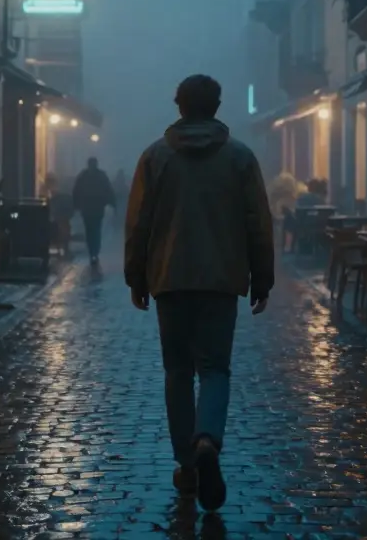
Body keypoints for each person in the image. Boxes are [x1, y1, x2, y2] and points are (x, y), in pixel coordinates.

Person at [124, 74, 275, 511]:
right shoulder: (240, 158)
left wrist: (137, 277)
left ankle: (186, 464)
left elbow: (139, 225)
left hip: (169, 279)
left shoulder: (154, 158)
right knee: (214, 369)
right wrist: (261, 279)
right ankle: (207, 438)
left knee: (176, 372)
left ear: (179, 105)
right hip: (220, 281)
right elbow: (257, 224)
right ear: (217, 105)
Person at [72, 157, 116, 264]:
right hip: (96, 208)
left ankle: (93, 251)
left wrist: (76, 204)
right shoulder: (101, 176)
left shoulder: (83, 176)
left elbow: (76, 190)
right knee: (95, 230)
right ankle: (94, 251)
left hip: (89, 208)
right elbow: (108, 190)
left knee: (91, 230)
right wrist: (112, 202)